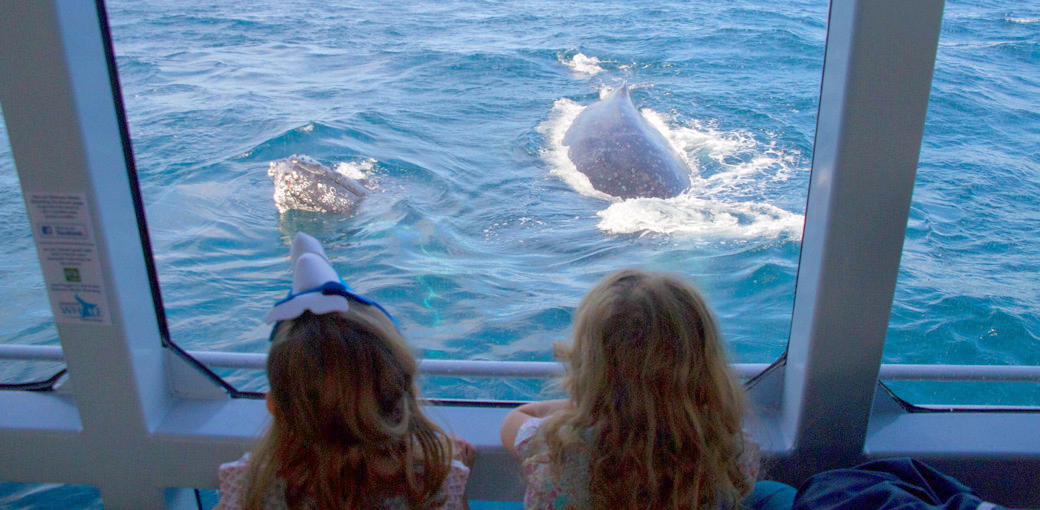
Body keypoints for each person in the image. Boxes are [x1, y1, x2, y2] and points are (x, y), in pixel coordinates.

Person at [217, 233, 474, 509]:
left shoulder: (249, 484)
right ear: (405, 397)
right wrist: (451, 466)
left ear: (274, 406)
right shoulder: (432, 485)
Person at [500, 269, 790, 509]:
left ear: (589, 368)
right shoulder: (733, 449)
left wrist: (589, 405)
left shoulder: (560, 450)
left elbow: (514, 422)